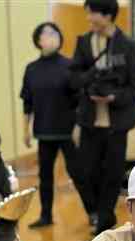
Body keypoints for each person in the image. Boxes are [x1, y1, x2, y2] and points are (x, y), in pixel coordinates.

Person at [70, 0, 135, 234]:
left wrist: (114, 97)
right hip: (90, 119)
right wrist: (92, 76)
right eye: (88, 13)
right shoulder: (83, 42)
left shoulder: (127, 45)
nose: (89, 18)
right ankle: (95, 211)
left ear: (109, 15)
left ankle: (104, 218)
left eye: (93, 13)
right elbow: (74, 78)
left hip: (117, 122)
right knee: (86, 171)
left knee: (112, 173)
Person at [20, 22, 85, 228]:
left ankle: (92, 212)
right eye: (47, 34)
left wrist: (78, 127)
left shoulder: (70, 65)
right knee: (44, 175)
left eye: (55, 33)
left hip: (68, 130)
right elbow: (27, 102)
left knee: (77, 172)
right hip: (44, 130)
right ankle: (45, 216)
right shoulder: (32, 69)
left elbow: (80, 100)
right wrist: (26, 131)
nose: (52, 37)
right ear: (38, 40)